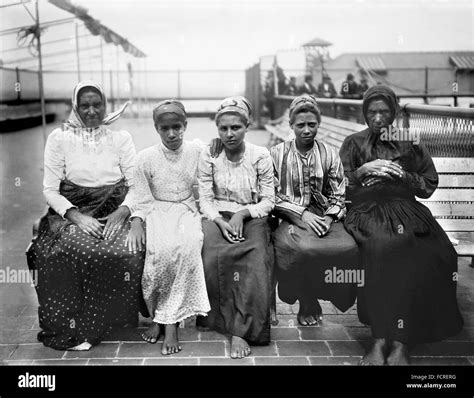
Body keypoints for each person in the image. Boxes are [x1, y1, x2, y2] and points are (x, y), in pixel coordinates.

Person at [339, 85, 464, 365]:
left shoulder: (409, 141)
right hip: (367, 209)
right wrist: (360, 173)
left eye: (384, 111)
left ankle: (401, 341)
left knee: (436, 252)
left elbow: (429, 184)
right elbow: (336, 188)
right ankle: (380, 337)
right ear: (364, 113)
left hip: (406, 208)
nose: (378, 117)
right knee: (385, 248)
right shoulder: (354, 142)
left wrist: (403, 176)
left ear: (394, 112)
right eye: (372, 112)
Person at [27, 80, 144, 351]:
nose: (91, 111)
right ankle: (75, 326)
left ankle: (112, 318)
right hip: (73, 212)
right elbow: (50, 190)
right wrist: (76, 217)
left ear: (105, 106)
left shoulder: (120, 138)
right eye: (85, 105)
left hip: (115, 209)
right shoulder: (59, 138)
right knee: (73, 249)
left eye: (97, 104)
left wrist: (123, 210)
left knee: (126, 251)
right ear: (76, 108)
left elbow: (136, 183)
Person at [124, 100, 214, 355]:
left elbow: (217, 150)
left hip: (186, 210)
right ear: (157, 129)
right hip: (158, 211)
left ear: (185, 126)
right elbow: (140, 196)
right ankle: (160, 317)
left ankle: (169, 324)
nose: (172, 133)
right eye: (165, 128)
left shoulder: (197, 150)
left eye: (177, 127)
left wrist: (217, 143)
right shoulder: (145, 158)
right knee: (160, 253)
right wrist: (136, 221)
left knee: (187, 248)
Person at [197, 96, 275, 359]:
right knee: (210, 254)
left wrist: (242, 214)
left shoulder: (260, 155)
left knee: (254, 258)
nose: (229, 134)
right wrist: (219, 220)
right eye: (223, 128)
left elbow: (268, 200)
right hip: (217, 213)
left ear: (247, 126)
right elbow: (205, 199)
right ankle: (214, 319)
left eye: (236, 127)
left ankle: (241, 330)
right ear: (217, 129)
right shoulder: (210, 154)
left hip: (252, 214)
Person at [271, 95, 359, 326]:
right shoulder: (277, 153)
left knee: (347, 247)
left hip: (324, 215)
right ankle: (306, 298)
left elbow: (339, 192)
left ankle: (324, 294)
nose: (307, 130)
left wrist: (329, 218)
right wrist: (301, 214)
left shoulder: (329, 153)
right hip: (288, 216)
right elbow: (270, 194)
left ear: (318, 124)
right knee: (303, 248)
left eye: (312, 124)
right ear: (291, 126)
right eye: (300, 125)